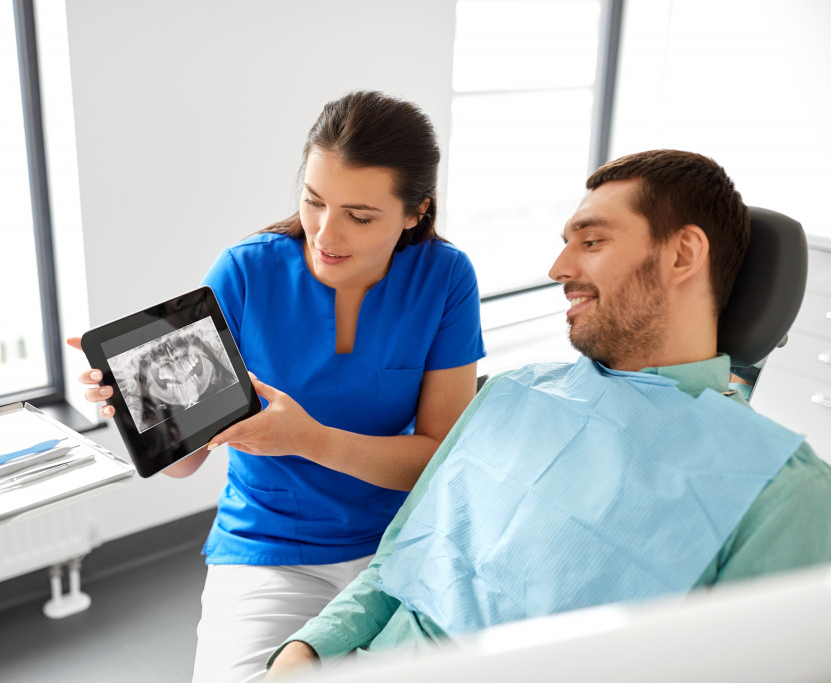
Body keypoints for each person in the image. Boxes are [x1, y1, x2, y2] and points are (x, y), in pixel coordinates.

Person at [266, 149, 831, 678]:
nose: (558, 266)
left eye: (591, 242)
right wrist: (306, 648)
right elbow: (398, 561)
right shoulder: (512, 394)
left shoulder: (781, 492)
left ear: (682, 254)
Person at [69, 90, 486, 682]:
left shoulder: (445, 279)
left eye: (359, 216)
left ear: (415, 212)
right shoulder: (246, 272)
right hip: (270, 548)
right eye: (314, 201)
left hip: (400, 544)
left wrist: (310, 439)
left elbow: (440, 459)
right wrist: (141, 414)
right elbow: (184, 466)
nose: (325, 232)